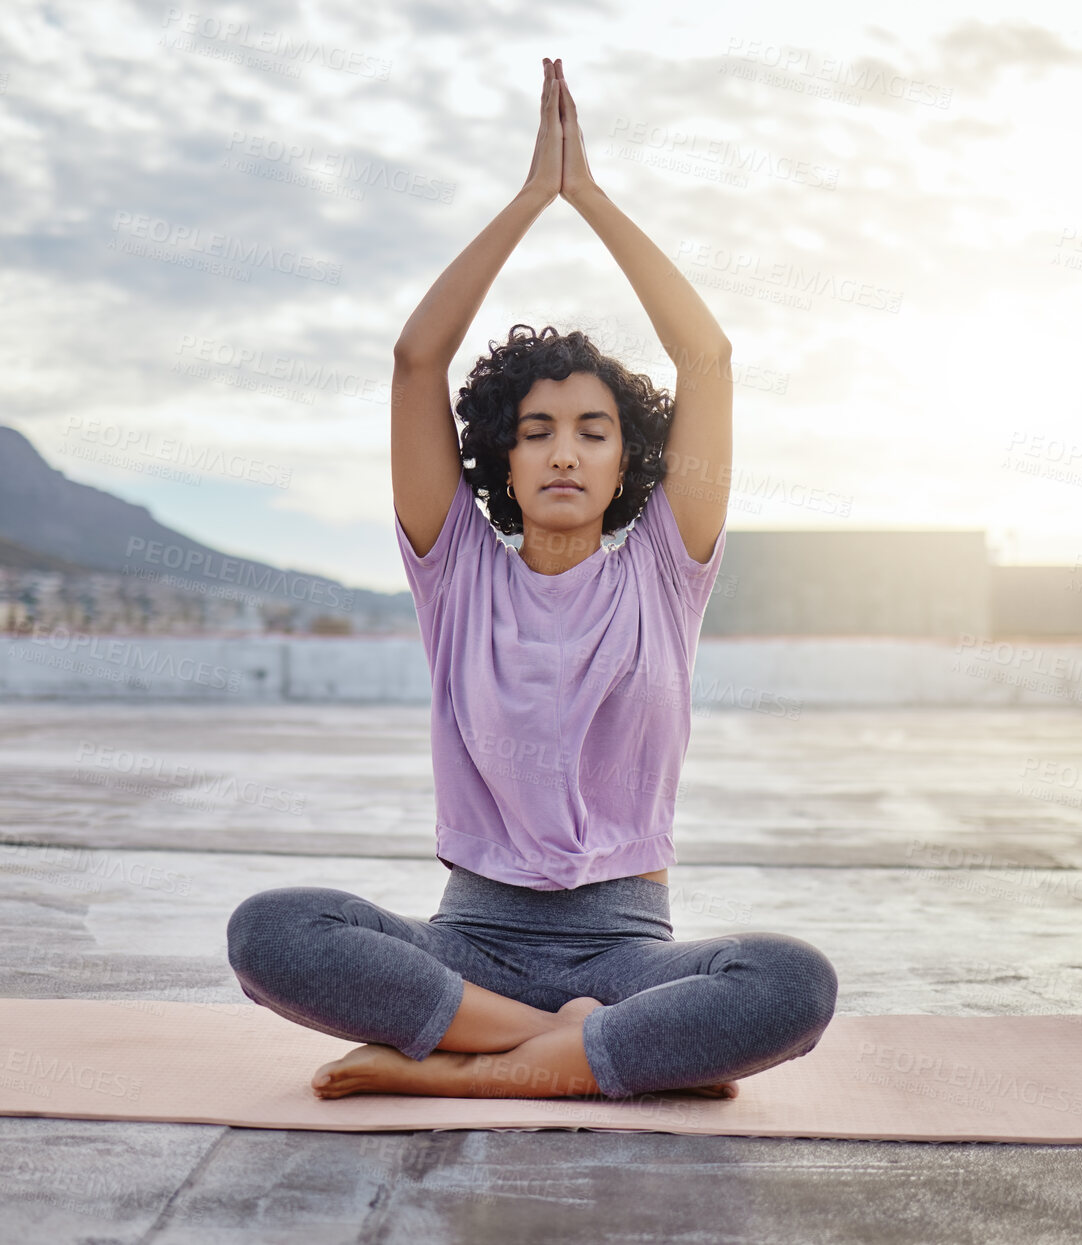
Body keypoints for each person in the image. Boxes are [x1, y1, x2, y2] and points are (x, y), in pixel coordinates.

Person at [227, 57, 836, 1102]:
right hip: (473, 938)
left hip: (627, 950)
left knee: (791, 982)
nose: (563, 452)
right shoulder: (455, 568)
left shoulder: (665, 566)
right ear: (500, 462)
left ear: (626, 460)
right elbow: (419, 361)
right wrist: (527, 200)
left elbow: (710, 360)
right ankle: (574, 1053)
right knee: (271, 930)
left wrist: (588, 195)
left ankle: (463, 1069)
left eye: (592, 432)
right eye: (537, 431)